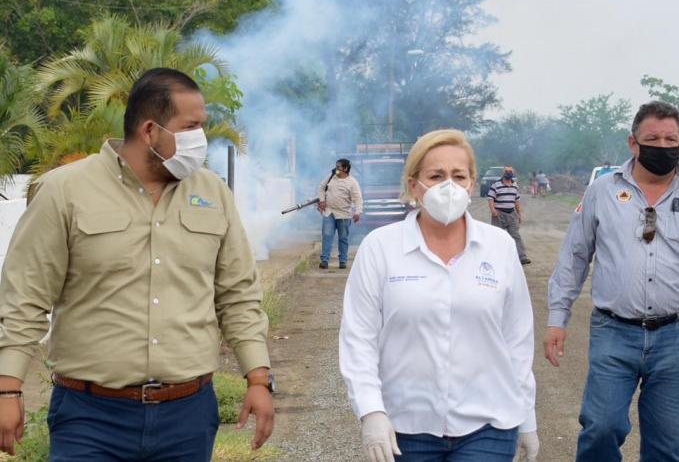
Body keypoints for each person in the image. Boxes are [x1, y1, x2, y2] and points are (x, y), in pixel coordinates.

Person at [0, 68, 274, 460]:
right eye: (191, 126)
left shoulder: (213, 192)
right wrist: (8, 389)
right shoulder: (64, 191)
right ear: (150, 130)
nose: (202, 139)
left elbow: (238, 295)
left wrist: (258, 379)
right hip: (90, 418)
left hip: (188, 416)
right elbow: (25, 296)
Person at [544, 101, 679, 461]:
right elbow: (575, 255)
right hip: (614, 331)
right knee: (601, 427)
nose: (662, 146)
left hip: (677, 334)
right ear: (633, 143)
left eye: (670, 139)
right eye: (652, 139)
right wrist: (556, 317)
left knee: (666, 444)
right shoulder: (602, 191)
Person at [339, 129, 539, 462]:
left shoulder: (499, 247)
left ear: (472, 183)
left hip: (488, 426)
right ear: (414, 184)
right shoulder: (381, 248)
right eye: (436, 175)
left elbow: (517, 339)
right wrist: (371, 411)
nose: (449, 186)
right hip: (405, 429)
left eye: (458, 176)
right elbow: (359, 337)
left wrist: (527, 417)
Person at [317, 158, 363, 270]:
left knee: (343, 238)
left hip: (344, 214)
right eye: (336, 166)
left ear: (345, 169)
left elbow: (358, 199)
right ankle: (324, 260)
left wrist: (358, 212)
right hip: (329, 212)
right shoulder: (331, 176)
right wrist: (322, 200)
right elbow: (322, 187)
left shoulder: (352, 182)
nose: (336, 169)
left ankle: (343, 261)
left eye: (338, 167)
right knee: (327, 236)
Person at [488, 166, 531, 265]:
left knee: (516, 236)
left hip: (511, 214)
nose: (509, 173)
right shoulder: (496, 185)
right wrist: (493, 210)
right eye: (507, 171)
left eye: (510, 171)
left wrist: (519, 214)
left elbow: (517, 201)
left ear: (513, 173)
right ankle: (493, 257)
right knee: (496, 236)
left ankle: (522, 257)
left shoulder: (515, 186)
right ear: (503, 173)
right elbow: (490, 198)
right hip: (499, 214)